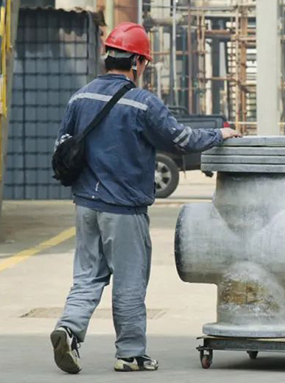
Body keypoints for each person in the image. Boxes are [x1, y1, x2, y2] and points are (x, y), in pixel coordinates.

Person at [50, 21, 240, 374]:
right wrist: (220, 134)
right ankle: (130, 353)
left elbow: (62, 143)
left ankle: (69, 328)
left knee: (87, 275)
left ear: (108, 57)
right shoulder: (141, 104)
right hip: (123, 209)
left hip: (85, 204)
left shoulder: (80, 97)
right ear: (137, 62)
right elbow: (181, 140)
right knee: (129, 281)